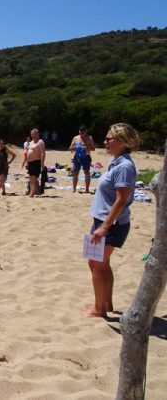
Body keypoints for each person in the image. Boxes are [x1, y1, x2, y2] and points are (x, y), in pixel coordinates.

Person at [84, 123, 139, 318]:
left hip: (111, 224)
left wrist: (105, 227)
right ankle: (107, 303)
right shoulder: (116, 161)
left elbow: (122, 199)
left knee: (96, 264)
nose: (105, 142)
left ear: (123, 141)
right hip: (103, 220)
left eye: (109, 139)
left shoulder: (124, 166)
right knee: (100, 263)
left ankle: (99, 309)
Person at [69, 125, 96, 193]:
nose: (82, 134)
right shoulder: (76, 138)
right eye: (81, 132)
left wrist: (86, 147)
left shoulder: (89, 138)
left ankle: (87, 189)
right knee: (75, 173)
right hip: (77, 157)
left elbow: (93, 148)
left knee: (87, 173)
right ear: (79, 131)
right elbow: (70, 148)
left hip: (86, 157)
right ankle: (74, 189)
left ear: (86, 131)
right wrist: (77, 147)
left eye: (83, 132)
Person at [26, 129, 46, 198]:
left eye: (35, 134)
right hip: (30, 162)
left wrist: (42, 163)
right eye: (32, 134)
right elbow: (28, 153)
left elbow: (43, 153)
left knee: (34, 178)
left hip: (36, 162)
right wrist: (27, 162)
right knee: (31, 178)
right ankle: (32, 191)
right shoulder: (31, 142)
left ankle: (31, 194)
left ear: (38, 134)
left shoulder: (40, 141)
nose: (33, 135)